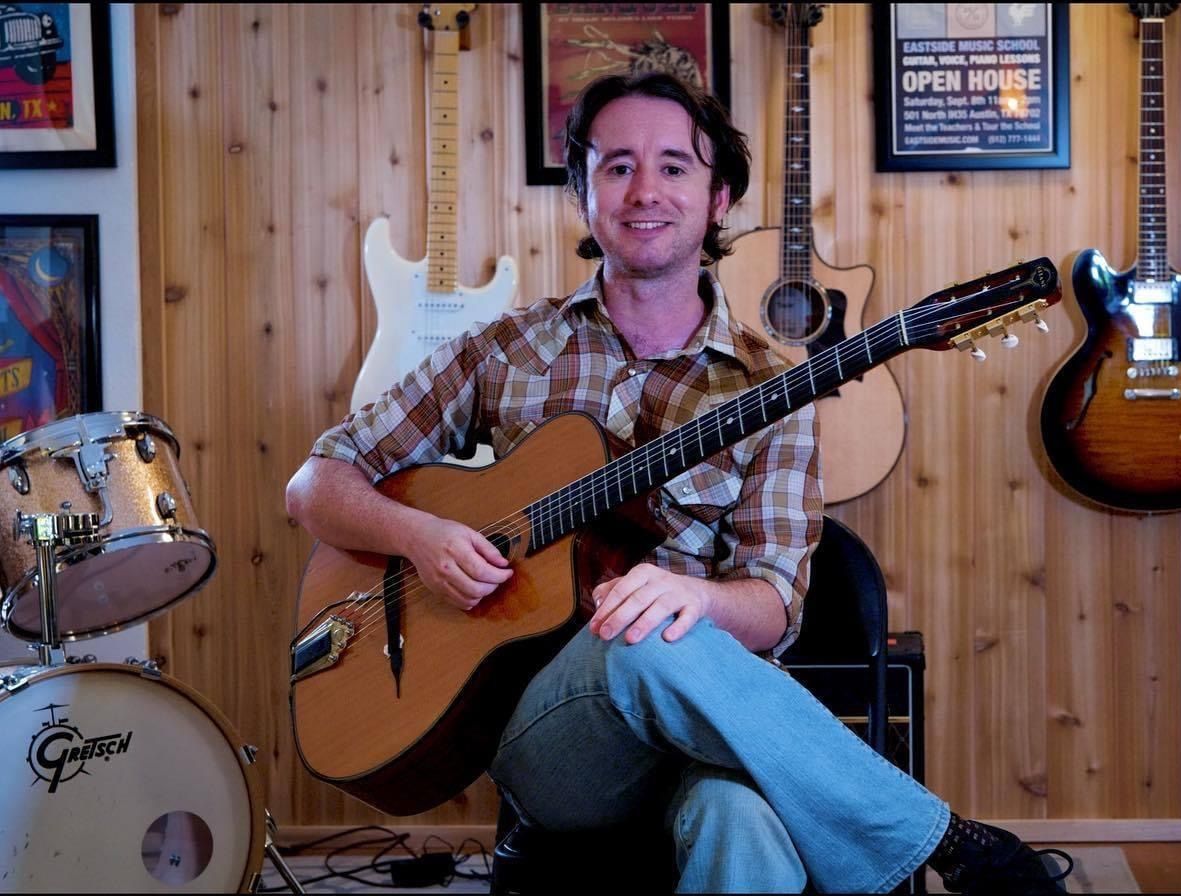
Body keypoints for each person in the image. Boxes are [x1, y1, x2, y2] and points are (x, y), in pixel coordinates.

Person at [285, 72, 1071, 895]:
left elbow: (774, 606)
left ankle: (934, 848)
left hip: (711, 731)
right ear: (584, 193)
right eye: (618, 166)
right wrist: (422, 536)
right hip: (557, 743)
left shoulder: (774, 388)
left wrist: (693, 598)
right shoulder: (506, 350)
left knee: (743, 817)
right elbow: (315, 483)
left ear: (718, 196)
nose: (645, 191)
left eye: (674, 166)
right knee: (633, 636)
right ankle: (948, 841)